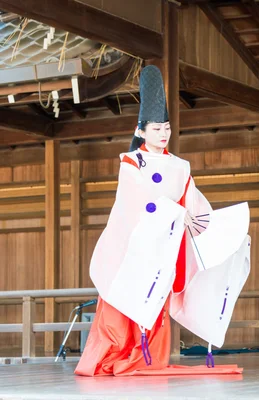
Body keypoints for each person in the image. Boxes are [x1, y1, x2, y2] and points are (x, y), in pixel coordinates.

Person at [75, 65, 250, 377]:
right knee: (123, 300)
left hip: (165, 247)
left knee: (157, 300)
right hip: (136, 246)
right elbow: (138, 198)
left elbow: (195, 205)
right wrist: (173, 212)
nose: (164, 133)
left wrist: (221, 231)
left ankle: (148, 359)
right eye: (157, 129)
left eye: (167, 127)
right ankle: (113, 356)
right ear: (141, 131)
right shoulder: (131, 163)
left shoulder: (180, 166)